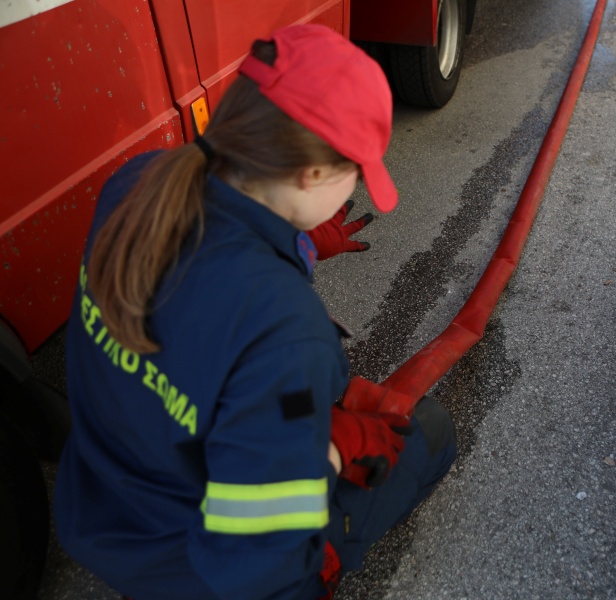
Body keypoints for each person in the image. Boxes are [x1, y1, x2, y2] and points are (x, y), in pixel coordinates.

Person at [54, 24, 456, 600]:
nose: (354, 190)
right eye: (357, 173)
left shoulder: (135, 185)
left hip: (104, 509)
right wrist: (331, 449)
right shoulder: (286, 336)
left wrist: (294, 245)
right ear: (313, 175)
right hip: (193, 566)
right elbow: (261, 567)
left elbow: (194, 313)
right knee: (431, 433)